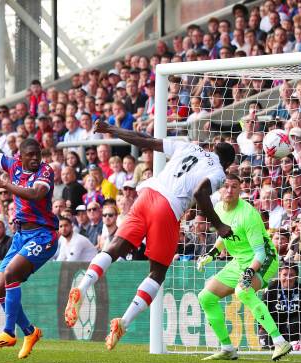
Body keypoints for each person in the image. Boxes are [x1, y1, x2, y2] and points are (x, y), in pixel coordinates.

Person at [64, 119, 236, 351]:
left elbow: (145, 140)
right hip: (168, 208)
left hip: (146, 196)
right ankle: (123, 322)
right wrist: (220, 225)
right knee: (157, 272)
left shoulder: (188, 146)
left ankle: (83, 287)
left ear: (212, 148)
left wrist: (111, 130)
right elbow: (199, 192)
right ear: (227, 165)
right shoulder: (218, 172)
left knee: (114, 247)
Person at [0, 94, 59, 359]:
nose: (36, 159)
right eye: (30, 156)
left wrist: (4, 185)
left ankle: (9, 332)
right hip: (21, 236)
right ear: (20, 157)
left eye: (38, 155)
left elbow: (34, 195)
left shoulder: (45, 172)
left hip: (44, 235)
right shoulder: (12, 166)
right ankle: (30, 331)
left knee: (11, 274)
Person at [196, 174, 291, 361]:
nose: (229, 190)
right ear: (221, 190)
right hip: (240, 261)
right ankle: (227, 348)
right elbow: (225, 236)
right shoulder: (218, 210)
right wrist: (211, 254)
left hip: (264, 260)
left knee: (243, 291)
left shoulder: (248, 214)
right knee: (205, 297)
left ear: (240, 190)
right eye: (226, 186)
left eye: (234, 187)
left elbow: (261, 253)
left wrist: (249, 272)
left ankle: (280, 342)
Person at [260, 262, 301, 351]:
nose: (288, 278)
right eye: (285, 274)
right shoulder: (271, 289)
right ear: (279, 275)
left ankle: (298, 345)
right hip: (273, 330)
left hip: (295, 331)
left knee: (296, 322)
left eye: (291, 275)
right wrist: (263, 329)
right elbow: (260, 312)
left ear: (297, 277)